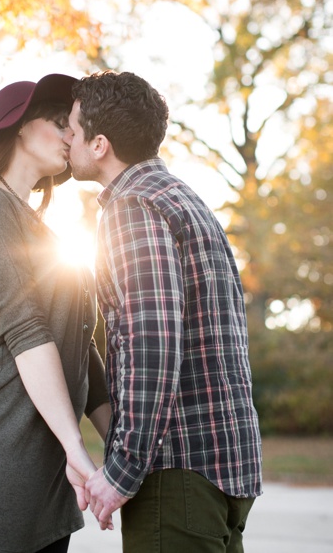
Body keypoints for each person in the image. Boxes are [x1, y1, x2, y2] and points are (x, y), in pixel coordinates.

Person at [67, 70, 263, 551]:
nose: (66, 139)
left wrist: (122, 470)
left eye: (72, 130)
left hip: (178, 470)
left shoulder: (131, 206)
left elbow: (151, 340)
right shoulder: (182, 198)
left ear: (99, 145)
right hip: (225, 463)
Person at [0, 74, 111, 553]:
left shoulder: (39, 228)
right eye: (59, 124)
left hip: (47, 467)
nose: (72, 136)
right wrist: (77, 449)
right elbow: (27, 334)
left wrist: (120, 446)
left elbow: (80, 351)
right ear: (17, 130)